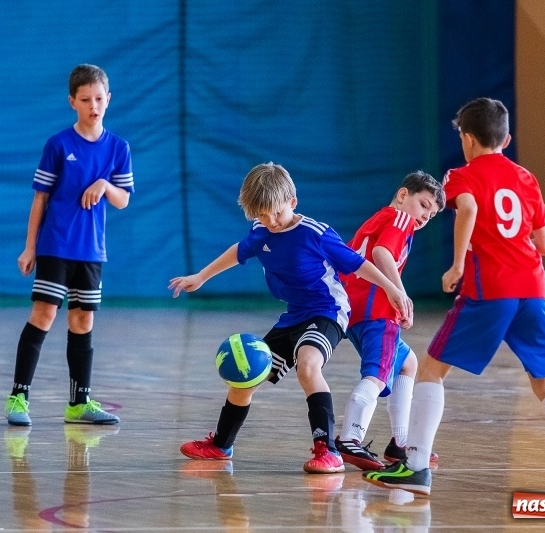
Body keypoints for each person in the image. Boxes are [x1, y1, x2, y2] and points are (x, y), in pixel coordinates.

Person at [363, 98, 545, 499]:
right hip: (534, 291)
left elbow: (469, 208)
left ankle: (416, 467)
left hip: (491, 289)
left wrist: (459, 263)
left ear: (466, 137)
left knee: (430, 370)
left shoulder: (461, 175)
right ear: (507, 138)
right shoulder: (526, 178)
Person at [169, 162, 412, 474]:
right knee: (247, 377)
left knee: (308, 363)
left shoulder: (316, 234)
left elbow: (358, 264)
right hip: (293, 316)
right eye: (261, 215)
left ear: (292, 202)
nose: (270, 221)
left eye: (275, 213)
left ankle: (328, 451)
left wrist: (392, 289)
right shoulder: (261, 232)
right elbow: (239, 251)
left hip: (328, 311)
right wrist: (201, 276)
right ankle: (221, 444)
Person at [4, 64, 134, 426]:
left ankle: (79, 403)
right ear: (72, 102)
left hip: (91, 251)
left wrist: (105, 186)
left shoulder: (118, 148)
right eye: (85, 99)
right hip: (56, 245)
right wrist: (30, 247)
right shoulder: (59, 145)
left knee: (82, 320)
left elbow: (122, 199)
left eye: (99, 98)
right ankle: (18, 397)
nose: (93, 105)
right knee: (44, 314)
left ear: (108, 99)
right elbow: (40, 199)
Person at [335, 171, 444, 470]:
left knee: (407, 363)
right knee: (378, 374)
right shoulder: (400, 219)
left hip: (356, 308)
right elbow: (382, 253)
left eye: (431, 215)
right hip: (375, 309)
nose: (424, 217)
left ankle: (400, 443)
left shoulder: (380, 218)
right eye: (423, 205)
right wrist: (399, 293)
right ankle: (349, 438)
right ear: (402, 195)